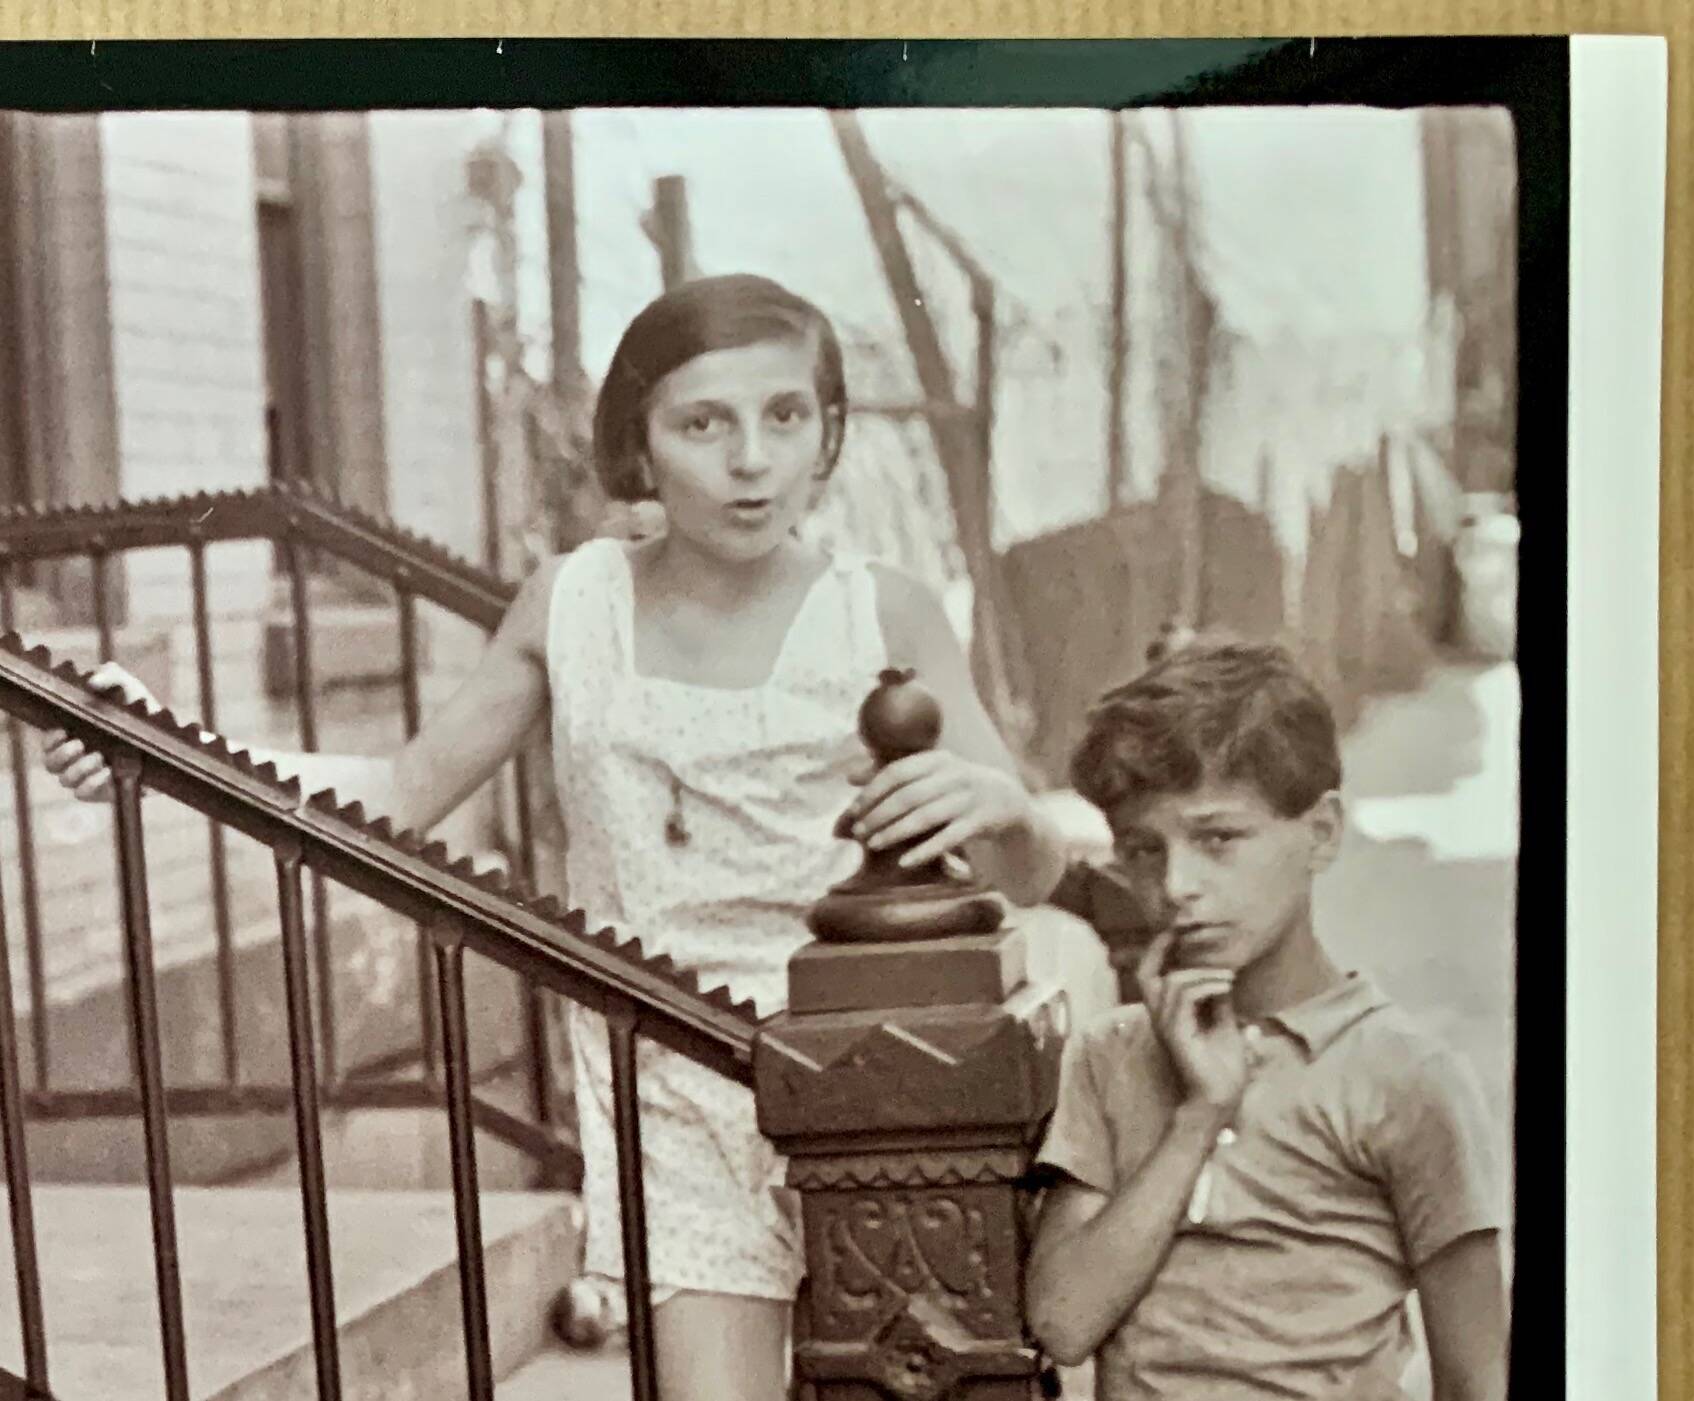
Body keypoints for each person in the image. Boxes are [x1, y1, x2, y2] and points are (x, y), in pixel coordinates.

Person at [42, 272, 1069, 1401]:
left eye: (787, 417)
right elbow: (399, 788)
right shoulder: (573, 606)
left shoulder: (884, 610)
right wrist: (157, 744)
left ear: (828, 432)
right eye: (703, 423)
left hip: (876, 1084)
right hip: (674, 1081)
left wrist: (1007, 812)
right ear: (639, 445)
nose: (751, 460)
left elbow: (1033, 867)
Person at [1024, 640, 1507, 1401]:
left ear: (1321, 832)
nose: (1178, 885)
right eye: (1145, 850)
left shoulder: (1404, 1075)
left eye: (1218, 839)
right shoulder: (1111, 1053)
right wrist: (1198, 1115)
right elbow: (1061, 1322)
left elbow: (1479, 1377)